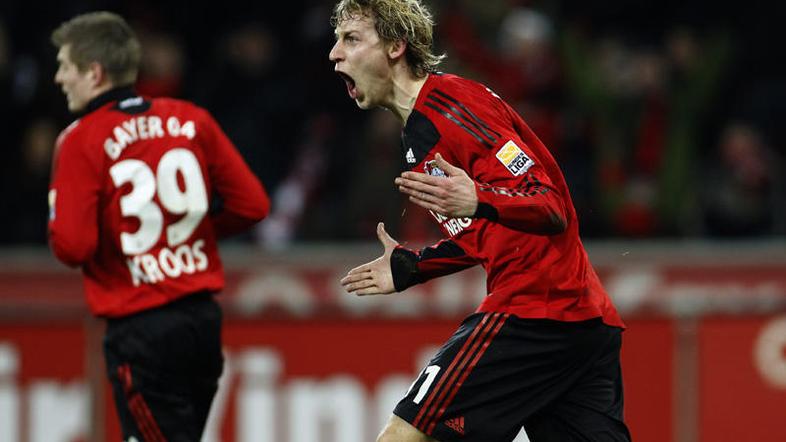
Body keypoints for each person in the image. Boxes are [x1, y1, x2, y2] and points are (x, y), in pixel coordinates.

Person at [331, 1, 630, 441]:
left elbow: (550, 205)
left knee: (403, 436)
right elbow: (482, 235)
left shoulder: (453, 106)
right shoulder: (417, 132)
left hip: (535, 311)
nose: (334, 54)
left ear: (396, 46)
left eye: (351, 39)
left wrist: (480, 198)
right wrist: (416, 265)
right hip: (580, 320)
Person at [48, 12, 269, 441]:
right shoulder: (192, 120)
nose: (58, 78)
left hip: (141, 327)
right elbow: (253, 205)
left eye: (65, 66)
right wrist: (185, 232)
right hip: (202, 322)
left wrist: (132, 241)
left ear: (94, 73)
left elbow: (73, 246)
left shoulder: (80, 138)